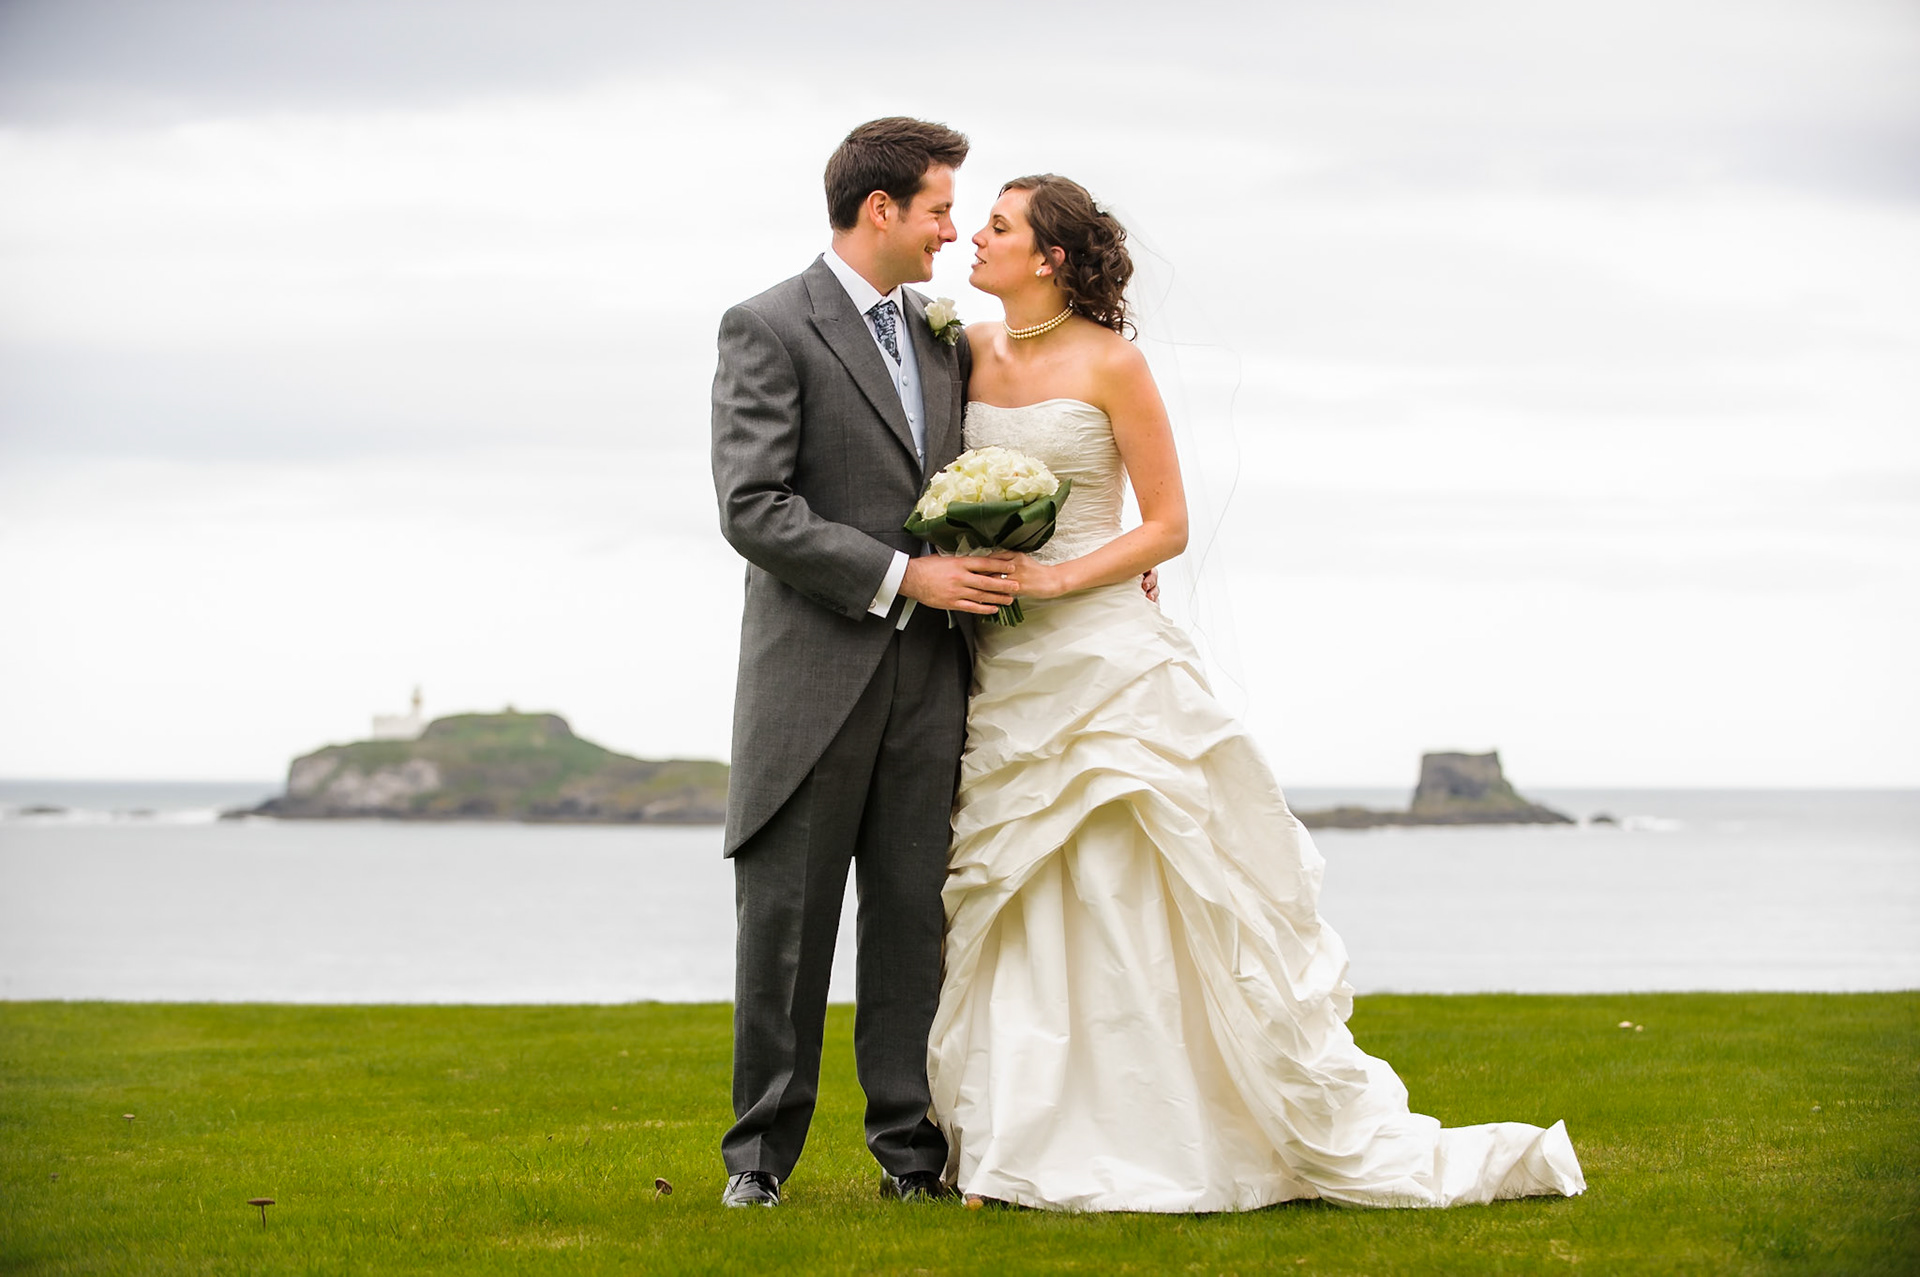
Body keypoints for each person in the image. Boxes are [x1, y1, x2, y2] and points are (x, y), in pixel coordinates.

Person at [926, 174, 1588, 1212]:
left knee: (1125, 878)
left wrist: (1054, 574)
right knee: (1024, 890)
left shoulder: (1113, 361)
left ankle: (1163, 1125)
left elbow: (1167, 524)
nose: (974, 236)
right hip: (1004, 667)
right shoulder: (960, 349)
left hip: (1102, 657)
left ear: (1049, 255)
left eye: (998, 226)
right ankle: (1023, 1129)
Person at [709, 117, 1019, 1208]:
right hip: (813, 678)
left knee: (910, 923)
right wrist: (902, 574)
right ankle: (759, 1162)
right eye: (940, 206)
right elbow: (754, 507)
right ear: (880, 209)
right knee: (786, 932)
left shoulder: (944, 337)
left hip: (932, 679)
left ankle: (910, 1155)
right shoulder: (766, 326)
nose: (953, 228)